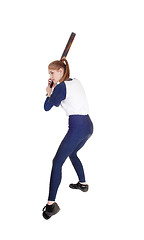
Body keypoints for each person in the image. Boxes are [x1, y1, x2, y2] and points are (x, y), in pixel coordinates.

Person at [42, 57, 93, 219]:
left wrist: (49, 91)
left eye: (52, 72)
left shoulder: (60, 87)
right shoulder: (75, 81)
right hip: (88, 126)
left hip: (77, 128)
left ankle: (51, 205)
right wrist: (55, 87)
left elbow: (47, 107)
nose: (50, 76)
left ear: (61, 71)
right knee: (72, 153)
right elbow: (63, 94)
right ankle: (83, 184)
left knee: (57, 162)